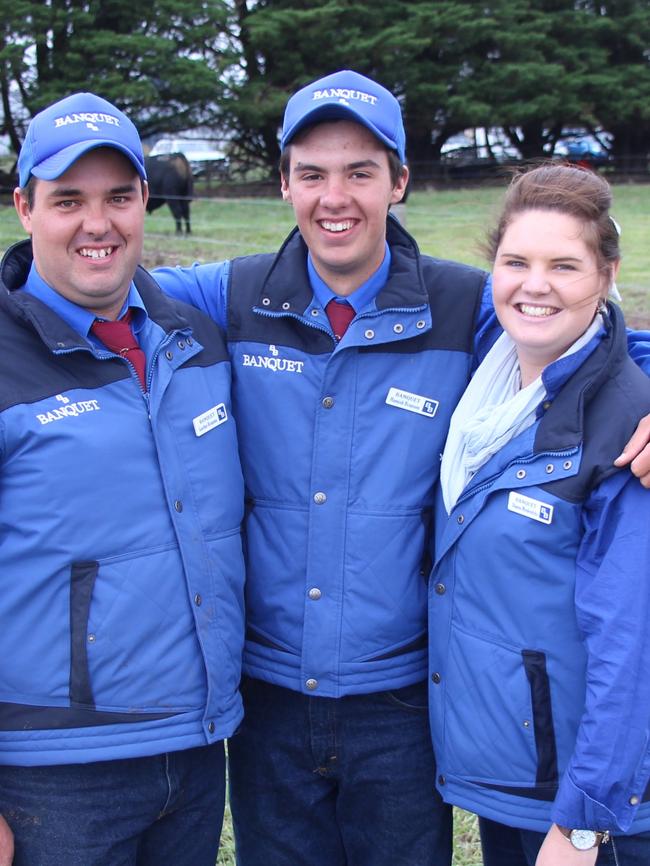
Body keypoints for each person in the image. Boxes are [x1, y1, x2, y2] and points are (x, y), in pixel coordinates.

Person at [154, 68, 499, 866]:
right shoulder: (230, 296)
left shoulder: (461, 304)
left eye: (360, 172)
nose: (333, 197)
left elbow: (581, 327)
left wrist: (639, 398)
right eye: (311, 173)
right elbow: (98, 290)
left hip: (404, 698)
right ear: (284, 184)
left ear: (400, 182)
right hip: (267, 696)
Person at [0, 92, 246, 866]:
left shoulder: (192, 331)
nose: (97, 223)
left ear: (146, 200)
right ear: (24, 208)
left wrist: (631, 378)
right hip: (54, 778)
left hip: (197, 749)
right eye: (68, 199)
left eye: (118, 197)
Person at [428, 163, 650, 866]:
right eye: (516, 261)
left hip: (583, 803)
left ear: (606, 275)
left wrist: (586, 819)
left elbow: (633, 642)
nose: (535, 284)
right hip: (512, 777)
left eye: (564, 265)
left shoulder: (627, 433)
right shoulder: (487, 378)